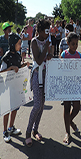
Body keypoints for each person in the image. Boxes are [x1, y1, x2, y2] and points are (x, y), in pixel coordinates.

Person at [25, 19, 53, 147]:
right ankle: (28, 132)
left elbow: (50, 55)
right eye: (46, 31)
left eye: (49, 30)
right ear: (40, 31)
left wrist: (50, 53)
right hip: (37, 75)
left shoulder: (48, 41)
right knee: (36, 105)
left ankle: (36, 129)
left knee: (42, 105)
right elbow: (39, 60)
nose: (48, 33)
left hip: (45, 75)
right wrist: (46, 47)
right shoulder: (34, 42)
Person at [0, 33, 29, 143]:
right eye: (19, 43)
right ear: (12, 44)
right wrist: (11, 68)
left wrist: (23, 66)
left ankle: (11, 127)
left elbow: (18, 68)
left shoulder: (17, 55)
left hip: (16, 86)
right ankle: (4, 131)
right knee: (7, 110)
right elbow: (1, 72)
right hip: (7, 88)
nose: (20, 45)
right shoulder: (6, 57)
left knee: (15, 108)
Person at [60, 32, 81, 145]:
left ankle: (70, 121)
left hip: (76, 85)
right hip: (66, 85)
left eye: (76, 44)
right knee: (67, 107)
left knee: (77, 107)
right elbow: (59, 68)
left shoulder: (79, 55)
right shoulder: (64, 54)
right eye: (73, 44)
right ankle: (67, 133)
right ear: (68, 43)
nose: (75, 46)